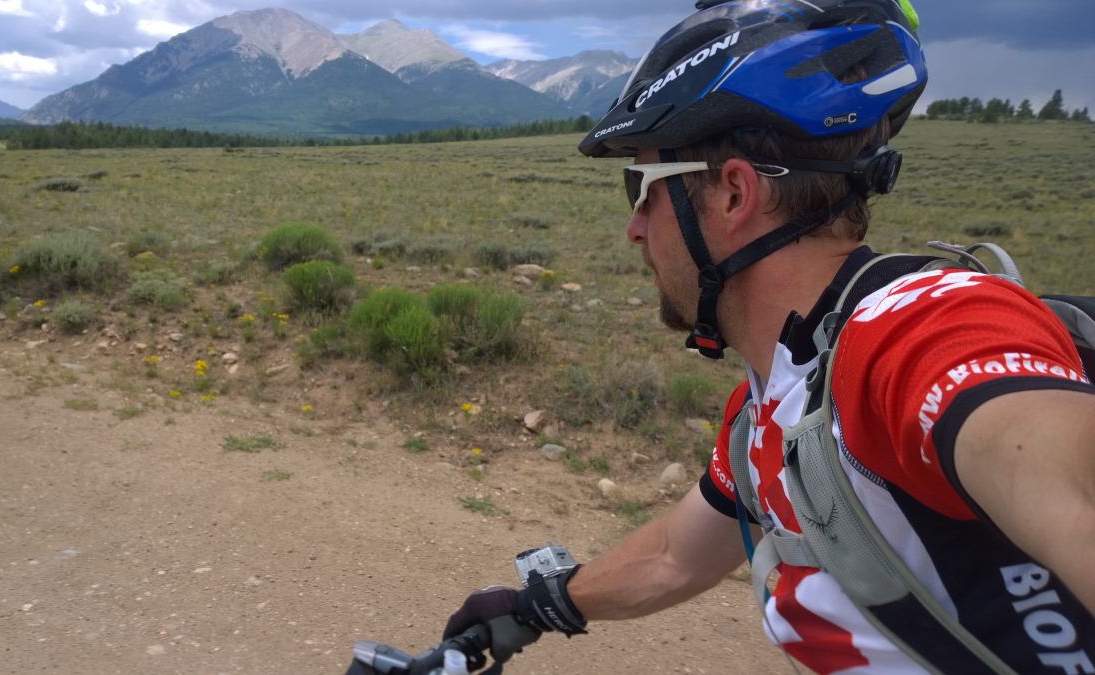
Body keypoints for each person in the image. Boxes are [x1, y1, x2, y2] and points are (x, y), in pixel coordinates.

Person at [442, 1, 1095, 672]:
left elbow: (1054, 460)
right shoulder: (774, 405)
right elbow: (674, 556)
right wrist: (535, 606)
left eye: (642, 187)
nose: (634, 227)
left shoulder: (913, 334)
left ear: (733, 195)